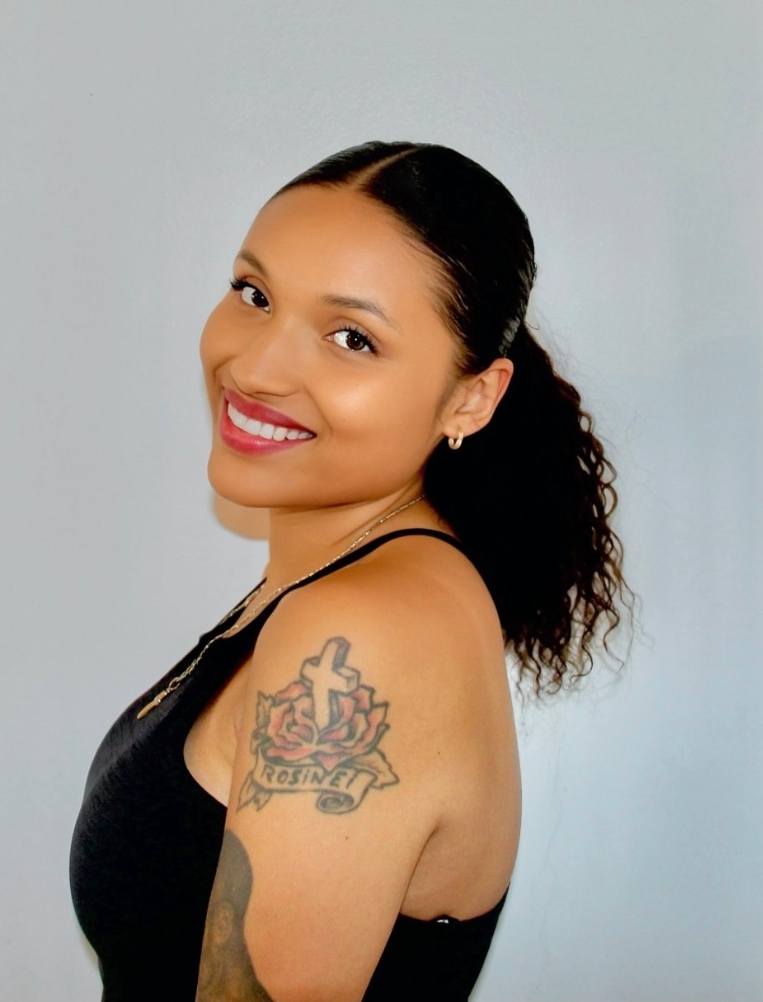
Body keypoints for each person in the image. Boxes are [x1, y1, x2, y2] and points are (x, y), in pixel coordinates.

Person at [70, 141, 629, 1001]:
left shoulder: (362, 631)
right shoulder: (333, 586)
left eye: (351, 338)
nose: (254, 368)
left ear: (470, 398)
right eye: (254, 294)